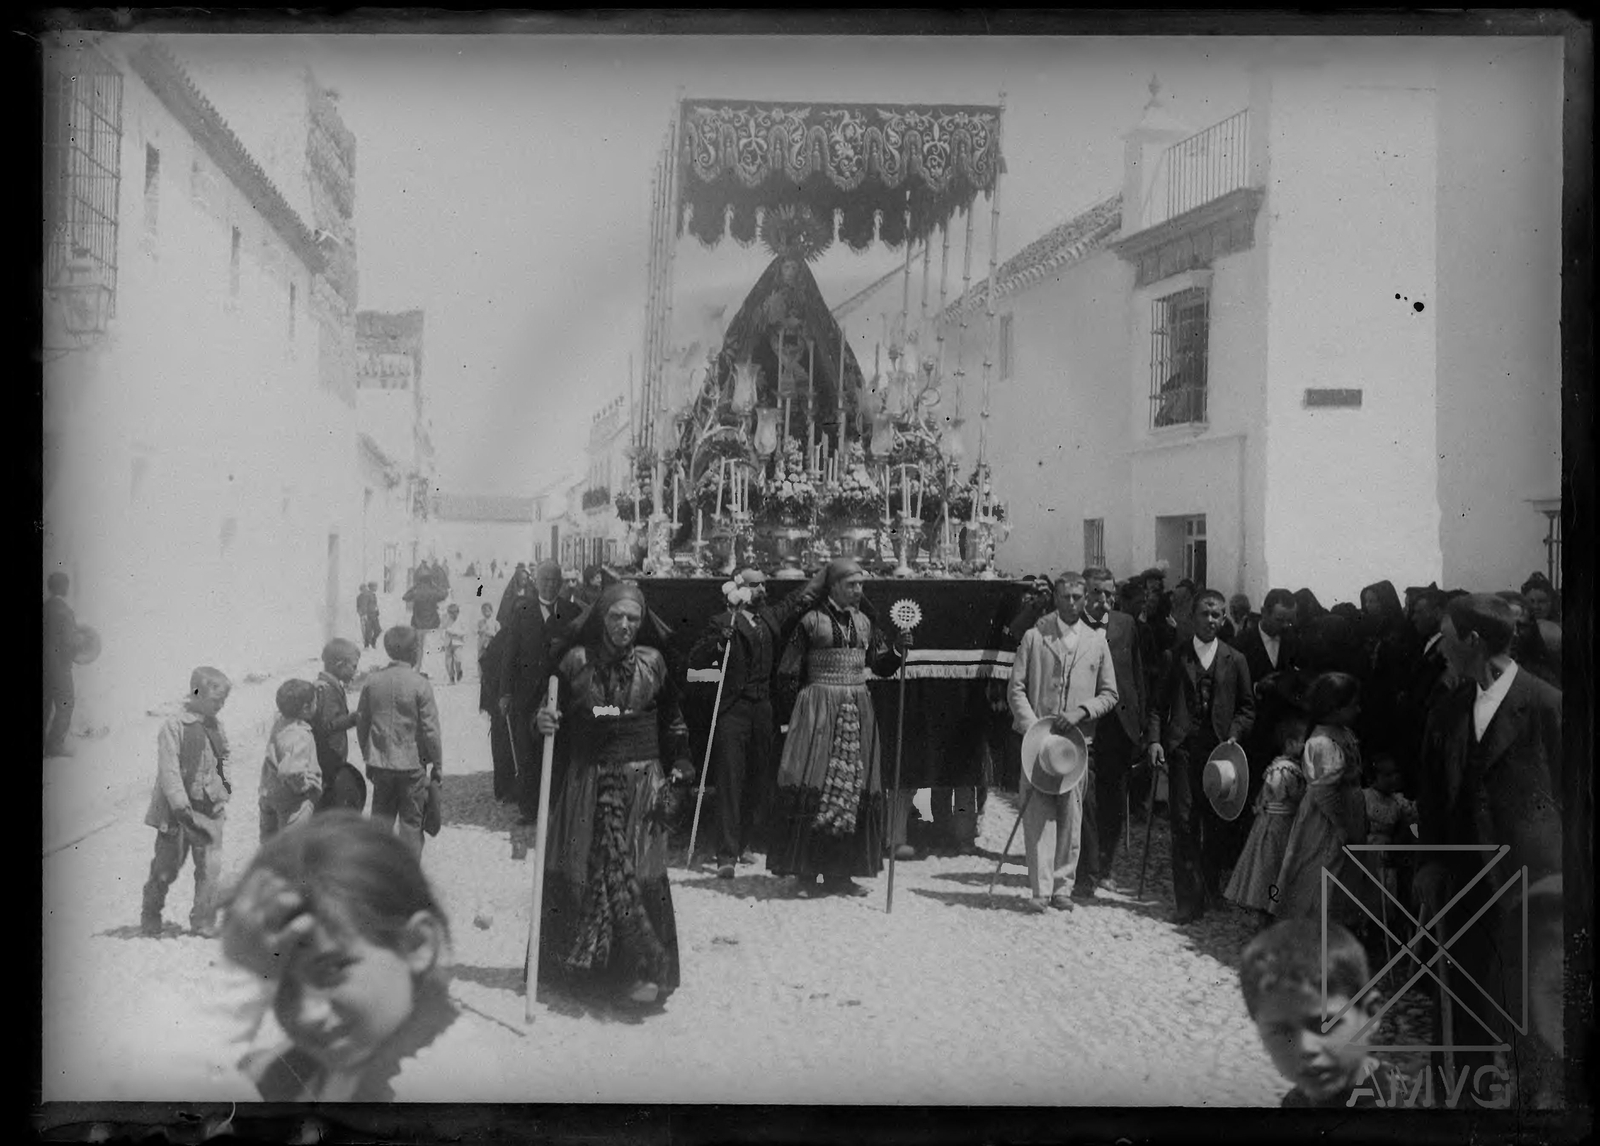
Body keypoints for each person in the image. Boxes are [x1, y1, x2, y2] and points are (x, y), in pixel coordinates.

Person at [1414, 593, 1563, 1110]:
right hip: (1461, 893)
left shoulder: (1547, 706)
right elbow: (1431, 795)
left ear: (1474, 642)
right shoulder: (1448, 709)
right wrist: (1429, 860)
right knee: (1462, 1018)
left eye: (1448, 639)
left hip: (1531, 900)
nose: (1440, 650)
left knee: (1530, 1023)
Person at [221, 812, 459, 1102]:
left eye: (332, 969)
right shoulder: (347, 1052)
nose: (307, 1013)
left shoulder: (432, 1084)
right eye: (281, 985)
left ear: (416, 945)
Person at [534, 582, 692, 1007]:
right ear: (602, 618)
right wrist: (545, 720)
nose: (625, 626)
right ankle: (583, 972)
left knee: (639, 869)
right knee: (586, 864)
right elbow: (564, 716)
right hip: (588, 780)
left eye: (633, 619)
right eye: (617, 617)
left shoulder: (654, 664)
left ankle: (641, 972)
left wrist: (681, 765)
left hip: (641, 781)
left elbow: (672, 718)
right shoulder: (573, 664)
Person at [768, 558, 909, 898]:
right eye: (851, 584)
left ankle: (841, 874)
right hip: (817, 710)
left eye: (861, 585)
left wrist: (899, 652)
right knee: (815, 780)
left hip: (857, 707)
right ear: (833, 586)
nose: (858, 590)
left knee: (851, 785)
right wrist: (794, 715)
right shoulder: (811, 622)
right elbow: (787, 671)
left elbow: (880, 665)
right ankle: (806, 872)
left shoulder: (863, 623)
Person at [689, 568, 822, 878]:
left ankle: (744, 842)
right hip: (734, 710)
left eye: (764, 583)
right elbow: (698, 659)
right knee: (731, 780)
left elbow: (795, 600)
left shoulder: (769, 618)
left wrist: (820, 579)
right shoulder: (723, 623)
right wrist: (720, 642)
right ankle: (726, 854)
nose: (763, 588)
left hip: (764, 709)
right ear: (740, 589)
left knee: (758, 778)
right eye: (756, 585)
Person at [1007, 572, 1119, 913]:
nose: (1072, 603)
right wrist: (1033, 727)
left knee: (1071, 814)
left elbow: (1110, 693)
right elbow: (1016, 689)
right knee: (1038, 814)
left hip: (1077, 743)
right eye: (1065, 596)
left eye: (1077, 597)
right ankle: (1039, 889)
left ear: (1085, 600)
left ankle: (1062, 887)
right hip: (1038, 744)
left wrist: (1083, 712)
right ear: (1055, 598)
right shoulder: (1034, 636)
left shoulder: (1097, 642)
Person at [1146, 589, 1255, 925]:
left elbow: (1248, 708)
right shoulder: (1174, 656)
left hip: (1221, 756)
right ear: (1192, 617)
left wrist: (1234, 734)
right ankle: (1187, 900)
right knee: (1183, 821)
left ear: (1224, 619)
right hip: (1182, 751)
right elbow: (1156, 707)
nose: (1211, 620)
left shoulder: (1234, 659)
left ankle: (1210, 887)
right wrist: (1155, 742)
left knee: (1217, 823)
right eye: (1205, 614)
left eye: (1217, 615)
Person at [1239, 919, 1407, 1108]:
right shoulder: (1297, 1101)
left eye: (1323, 1024)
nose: (1305, 1047)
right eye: (1282, 1031)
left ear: (1370, 1014)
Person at [141, 666, 233, 938]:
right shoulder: (174, 726)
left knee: (210, 869)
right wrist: (181, 806)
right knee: (166, 867)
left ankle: (203, 919)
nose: (221, 706)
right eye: (217, 700)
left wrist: (223, 789)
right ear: (197, 694)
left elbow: (224, 758)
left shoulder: (216, 726)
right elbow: (169, 770)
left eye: (224, 701)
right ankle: (150, 913)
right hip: (178, 813)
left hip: (210, 809)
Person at [1272, 673, 1370, 924]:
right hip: (1327, 821)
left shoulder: (1341, 732)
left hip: (1346, 810)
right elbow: (1325, 792)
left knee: (1343, 875)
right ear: (1335, 709)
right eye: (1353, 705)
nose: (1359, 709)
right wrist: (1341, 826)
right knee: (1322, 874)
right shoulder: (1323, 742)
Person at [1075, 566, 1146, 897]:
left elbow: (1136, 675)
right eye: (1097, 593)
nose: (1104, 600)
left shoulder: (1126, 624)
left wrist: (1141, 725)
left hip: (1119, 726)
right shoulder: (1073, 626)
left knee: (1114, 799)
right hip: (1087, 725)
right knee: (1085, 799)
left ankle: (1105, 865)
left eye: (1109, 593)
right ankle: (1086, 871)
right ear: (1085, 594)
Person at [499, 560, 583, 826]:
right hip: (527, 692)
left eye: (554, 580)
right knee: (527, 749)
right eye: (545, 579)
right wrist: (505, 692)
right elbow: (509, 653)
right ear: (537, 581)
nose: (550, 584)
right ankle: (529, 808)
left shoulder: (572, 611)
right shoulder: (522, 609)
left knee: (560, 749)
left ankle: (557, 805)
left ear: (560, 583)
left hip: (562, 693)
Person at [357, 626, 443, 856]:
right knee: (411, 825)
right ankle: (408, 880)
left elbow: (362, 722)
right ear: (415, 651)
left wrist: (368, 756)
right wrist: (438, 765)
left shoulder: (372, 681)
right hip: (412, 766)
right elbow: (430, 730)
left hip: (381, 764)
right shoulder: (420, 684)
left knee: (380, 824)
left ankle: (378, 876)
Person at [1226, 716, 1309, 929]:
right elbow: (1288, 795)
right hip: (1278, 826)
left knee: (1275, 869)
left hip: (1277, 823)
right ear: (1290, 743)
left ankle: (1272, 912)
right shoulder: (1284, 770)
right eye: (1301, 741)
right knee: (1271, 868)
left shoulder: (1282, 767)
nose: (1304, 745)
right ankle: (1266, 912)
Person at [258, 680, 322, 843]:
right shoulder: (301, 735)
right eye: (315, 701)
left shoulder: (279, 724)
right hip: (291, 800)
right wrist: (304, 786)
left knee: (269, 843)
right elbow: (290, 771)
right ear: (306, 708)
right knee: (292, 846)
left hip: (268, 793)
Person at [311, 639, 364, 812]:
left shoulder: (329, 686)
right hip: (329, 755)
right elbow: (327, 725)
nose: (355, 672)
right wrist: (354, 718)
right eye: (353, 667)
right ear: (339, 665)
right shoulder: (326, 690)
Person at [1360, 753, 1416, 909]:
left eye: (1395, 773)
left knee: (1386, 895)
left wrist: (1414, 831)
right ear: (1373, 777)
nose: (1394, 778)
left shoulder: (1398, 802)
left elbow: (1412, 825)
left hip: (1387, 854)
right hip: (1366, 851)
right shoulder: (1364, 798)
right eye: (1387, 775)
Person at [477, 618, 516, 803]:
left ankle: (506, 789)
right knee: (504, 745)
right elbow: (488, 664)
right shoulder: (508, 635)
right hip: (501, 701)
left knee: (504, 746)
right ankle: (505, 790)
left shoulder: (508, 633)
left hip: (501, 700)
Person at [43, 571, 78, 758]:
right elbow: (69, 642)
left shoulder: (46, 607)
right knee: (66, 703)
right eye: (66, 584)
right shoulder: (64, 611)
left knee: (45, 705)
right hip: (60, 667)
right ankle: (54, 746)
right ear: (62, 587)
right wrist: (75, 653)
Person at [402, 568, 446, 674]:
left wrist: (414, 586)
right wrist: (434, 585)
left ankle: (418, 668)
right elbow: (444, 594)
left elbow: (405, 597)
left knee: (419, 647)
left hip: (418, 623)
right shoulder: (434, 590)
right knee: (430, 648)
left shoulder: (416, 590)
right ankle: (428, 670)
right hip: (432, 623)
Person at [442, 604, 467, 686]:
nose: (452, 615)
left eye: (454, 613)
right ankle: (451, 678)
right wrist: (442, 642)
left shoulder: (461, 620)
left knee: (458, 660)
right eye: (450, 613)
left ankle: (459, 671)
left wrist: (455, 633)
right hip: (448, 643)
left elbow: (465, 632)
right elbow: (443, 630)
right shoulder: (446, 619)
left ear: (458, 612)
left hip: (458, 643)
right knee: (448, 663)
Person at [357, 582, 381, 650]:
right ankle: (366, 646)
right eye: (375, 586)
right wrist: (364, 615)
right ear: (371, 587)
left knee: (378, 630)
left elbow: (375, 604)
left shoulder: (373, 594)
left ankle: (373, 641)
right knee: (368, 631)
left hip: (374, 615)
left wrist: (377, 612)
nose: (376, 588)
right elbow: (363, 605)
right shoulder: (365, 595)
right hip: (368, 615)